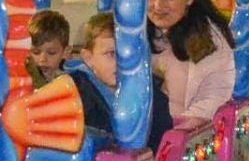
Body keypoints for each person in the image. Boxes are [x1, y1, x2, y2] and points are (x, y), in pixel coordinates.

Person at [146, 0, 236, 124]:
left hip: (186, 133)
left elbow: (215, 95)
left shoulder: (208, 38)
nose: (158, 6)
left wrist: (177, 134)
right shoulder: (135, 33)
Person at [68, 11, 172, 149]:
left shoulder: (152, 93)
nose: (122, 63)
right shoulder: (73, 97)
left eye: (129, 54)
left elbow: (161, 141)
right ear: (88, 58)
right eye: (111, 54)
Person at [27, 9, 71, 86]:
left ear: (65, 52)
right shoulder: (23, 79)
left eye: (51, 53)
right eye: (36, 52)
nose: (43, 59)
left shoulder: (70, 82)